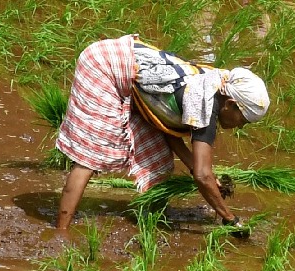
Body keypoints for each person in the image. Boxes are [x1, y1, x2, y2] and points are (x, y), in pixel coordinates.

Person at [55, 35, 270, 232]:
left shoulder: (218, 85)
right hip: (103, 66)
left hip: (130, 73)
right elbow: (202, 175)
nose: (241, 126)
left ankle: (150, 218)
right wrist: (230, 219)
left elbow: (167, 129)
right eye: (243, 120)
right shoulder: (204, 104)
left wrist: (205, 175)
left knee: (161, 160)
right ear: (230, 104)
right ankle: (61, 232)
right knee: (93, 156)